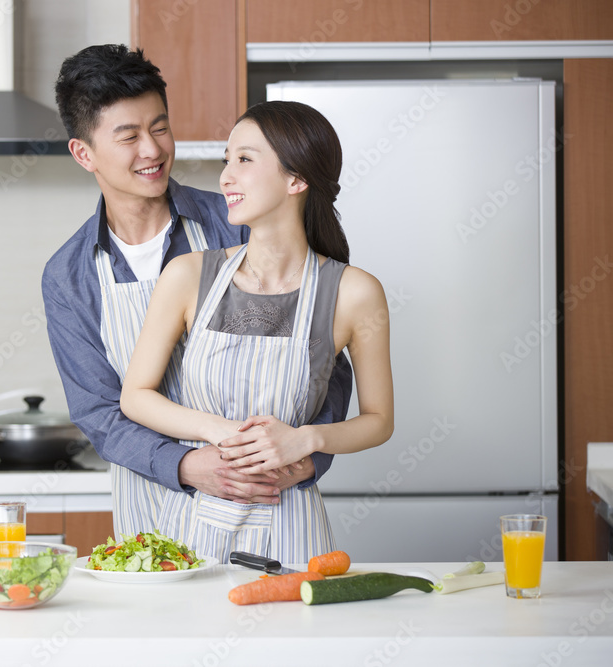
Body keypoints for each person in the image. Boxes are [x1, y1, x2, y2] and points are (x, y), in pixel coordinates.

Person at [41, 45, 353, 540]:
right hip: (149, 508)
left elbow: (324, 356)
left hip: (265, 499)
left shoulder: (239, 224)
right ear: (85, 153)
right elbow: (98, 411)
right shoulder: (70, 275)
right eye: (128, 137)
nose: (153, 150)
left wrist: (307, 455)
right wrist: (187, 465)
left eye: (160, 128)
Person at [120, 100, 394, 562]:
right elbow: (135, 395)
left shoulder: (354, 292)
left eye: (244, 160)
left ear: (296, 179)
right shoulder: (186, 276)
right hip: (193, 526)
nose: (226, 176)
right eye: (227, 160)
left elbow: (379, 421)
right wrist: (222, 432)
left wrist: (306, 440)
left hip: (293, 524)